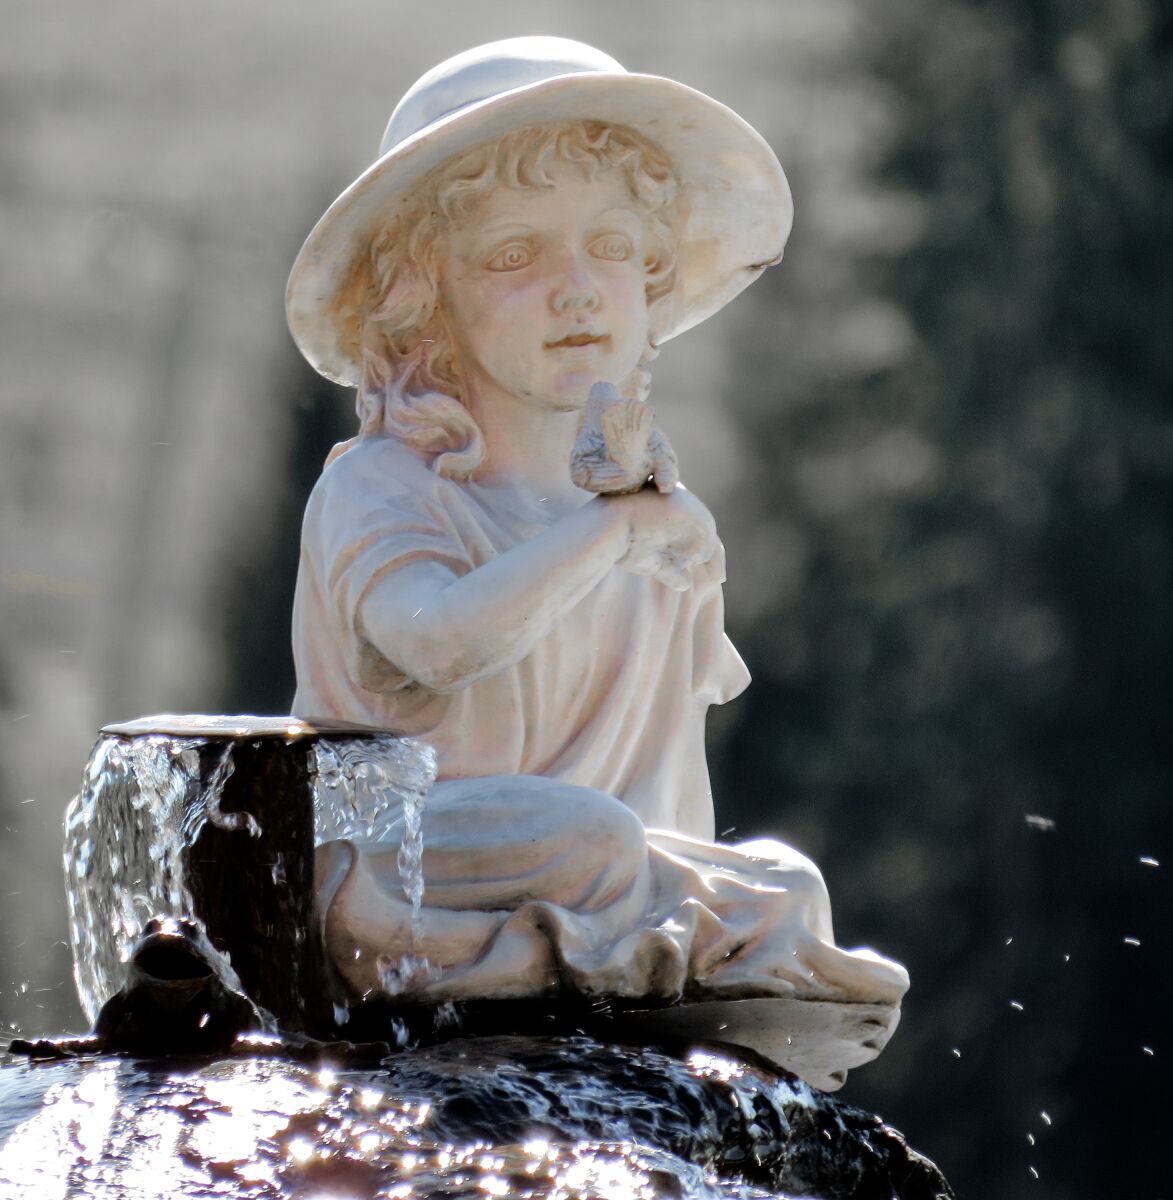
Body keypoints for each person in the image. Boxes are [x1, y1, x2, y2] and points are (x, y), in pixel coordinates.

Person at [286, 38, 906, 1032]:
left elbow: (664, 783)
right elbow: (439, 641)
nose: (575, 289)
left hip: (598, 856)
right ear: (424, 293)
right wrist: (613, 534)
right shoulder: (380, 489)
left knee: (784, 883)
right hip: (404, 866)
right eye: (513, 256)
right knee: (590, 840)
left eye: (611, 248)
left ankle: (644, 962)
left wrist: (640, 534)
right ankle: (606, 956)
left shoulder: (645, 510)